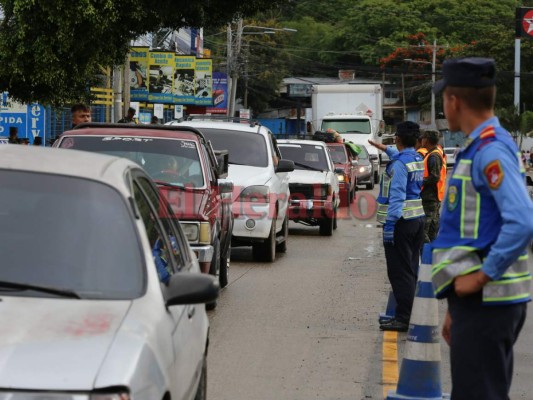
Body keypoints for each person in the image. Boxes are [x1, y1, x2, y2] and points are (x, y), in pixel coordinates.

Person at [431, 57, 533, 400]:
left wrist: (481, 277)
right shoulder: (479, 147)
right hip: (477, 305)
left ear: (454, 101)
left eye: (444, 99)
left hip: (488, 300)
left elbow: (523, 221)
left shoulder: (490, 151)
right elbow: (474, 232)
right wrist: (456, 311)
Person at [368, 121, 425, 332]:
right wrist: (383, 148)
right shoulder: (417, 158)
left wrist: (390, 223)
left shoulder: (400, 165)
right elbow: (399, 155)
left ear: (398, 139)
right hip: (417, 220)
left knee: (399, 272)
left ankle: (403, 318)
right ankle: (409, 314)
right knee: (410, 270)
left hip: (401, 223)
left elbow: (398, 194)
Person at [420, 130, 446, 242]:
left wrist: (419, 181)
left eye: (423, 138)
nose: (421, 140)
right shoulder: (431, 154)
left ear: (427, 140)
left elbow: (434, 177)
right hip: (432, 197)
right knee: (431, 231)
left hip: (430, 198)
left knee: (423, 231)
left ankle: (428, 256)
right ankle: (431, 256)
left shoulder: (434, 156)